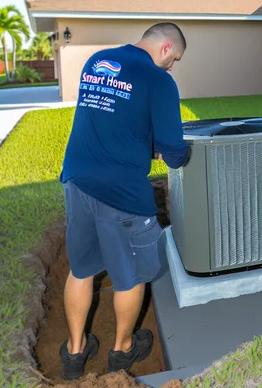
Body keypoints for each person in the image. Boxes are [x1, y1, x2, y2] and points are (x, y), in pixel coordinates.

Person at [58, 23, 191, 379]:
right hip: (122, 193)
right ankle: (123, 350)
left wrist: (147, 144)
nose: (172, 67)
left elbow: (114, 119)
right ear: (166, 48)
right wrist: (176, 151)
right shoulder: (159, 81)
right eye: (175, 59)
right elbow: (174, 152)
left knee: (81, 270)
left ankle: (75, 352)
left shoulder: (98, 61)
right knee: (130, 276)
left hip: (77, 180)